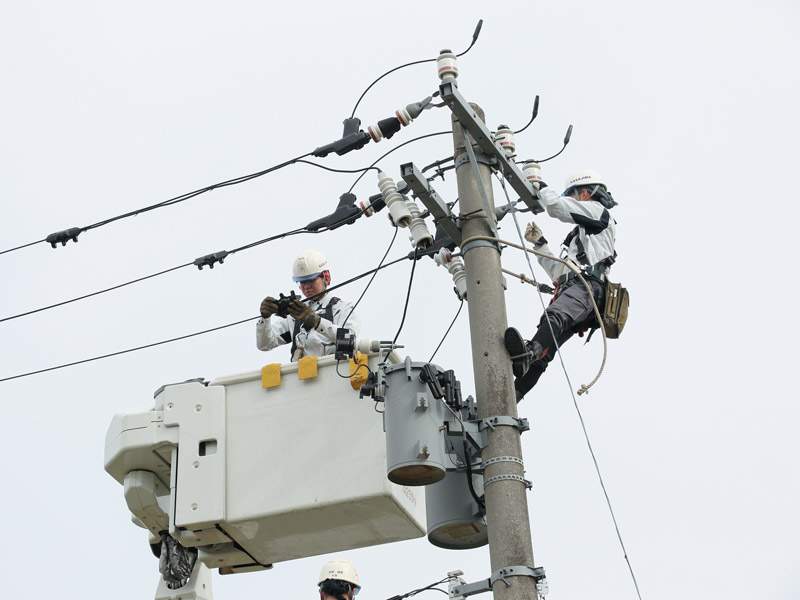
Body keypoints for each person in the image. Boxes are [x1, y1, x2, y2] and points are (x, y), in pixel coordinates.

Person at [505, 169, 618, 400]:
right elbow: (559, 274)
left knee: (553, 318)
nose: (571, 201)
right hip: (578, 289)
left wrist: (541, 186)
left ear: (585, 193)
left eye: (573, 196)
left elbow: (557, 207)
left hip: (587, 288)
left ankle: (528, 355)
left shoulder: (599, 213)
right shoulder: (584, 237)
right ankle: (513, 396)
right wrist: (540, 245)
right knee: (545, 349)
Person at [257, 249, 360, 361]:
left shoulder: (343, 308)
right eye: (302, 282)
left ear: (327, 278)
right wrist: (265, 319)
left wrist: (317, 322)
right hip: (302, 376)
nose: (306, 286)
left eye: (311, 280)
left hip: (332, 373)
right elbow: (265, 344)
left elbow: (350, 339)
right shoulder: (295, 314)